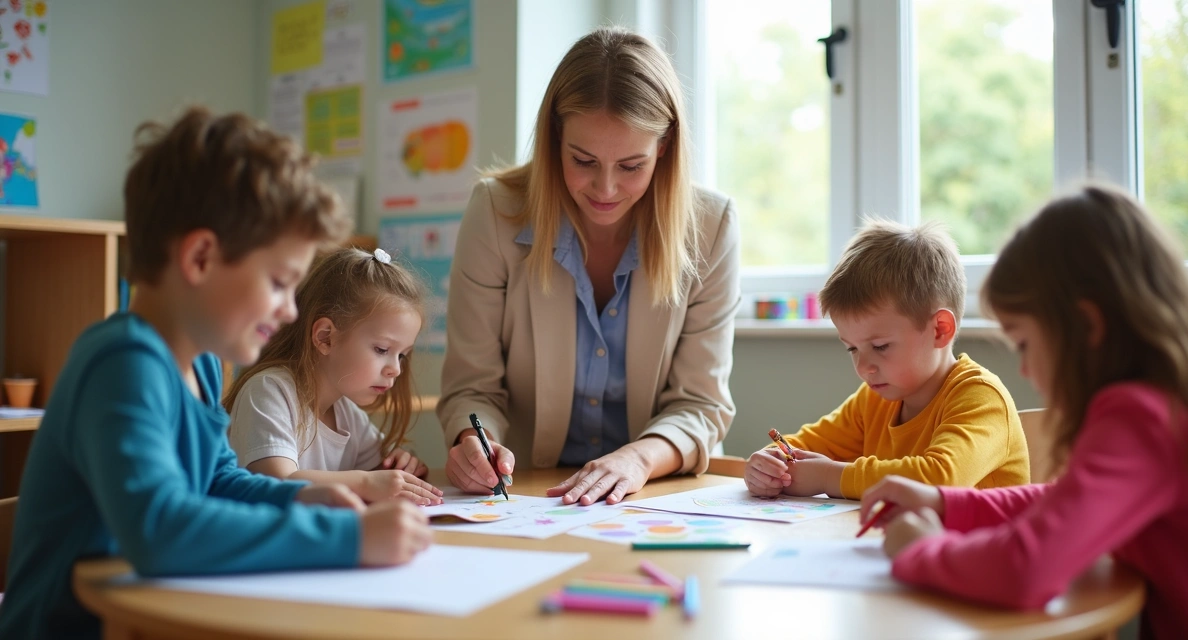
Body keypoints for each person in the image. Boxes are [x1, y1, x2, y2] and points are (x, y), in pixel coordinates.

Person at [0, 108, 431, 639]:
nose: (290, 312)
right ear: (201, 257)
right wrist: (346, 539)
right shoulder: (122, 365)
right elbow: (160, 529)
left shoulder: (200, 362)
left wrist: (303, 496)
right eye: (278, 282)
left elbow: (219, 481)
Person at [862, 185, 1188, 639]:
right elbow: (1061, 498)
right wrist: (945, 502)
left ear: (1088, 326)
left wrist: (922, 550)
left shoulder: (1141, 418)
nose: (1025, 369)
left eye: (1025, 344)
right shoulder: (1168, 402)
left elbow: (1025, 570)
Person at [439, 27, 741, 505]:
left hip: (659, 489)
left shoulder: (712, 226)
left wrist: (638, 458)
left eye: (631, 166)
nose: (605, 189)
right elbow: (472, 387)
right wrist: (470, 442)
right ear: (555, 137)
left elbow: (700, 404)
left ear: (662, 148)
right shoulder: (494, 213)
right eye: (583, 160)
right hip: (533, 491)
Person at [745, 220, 1029, 500]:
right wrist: (770, 464)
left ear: (940, 330)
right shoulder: (874, 400)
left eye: (880, 346)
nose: (863, 367)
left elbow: (939, 478)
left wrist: (828, 476)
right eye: (852, 349)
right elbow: (802, 447)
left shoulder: (982, 399)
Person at [225, 247, 443, 506]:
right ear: (325, 337)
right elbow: (276, 483)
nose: (395, 369)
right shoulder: (269, 390)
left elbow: (381, 477)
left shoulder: (346, 414)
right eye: (382, 350)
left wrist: (406, 468)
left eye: (402, 355)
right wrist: (365, 482)